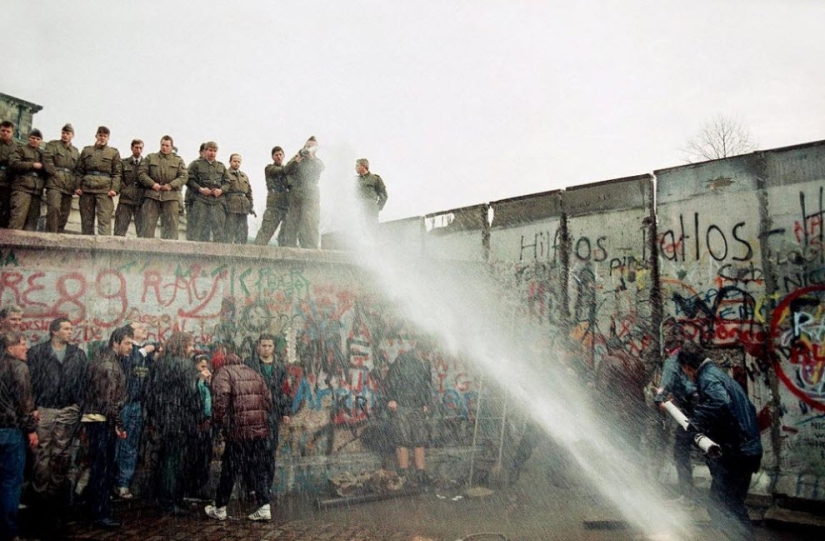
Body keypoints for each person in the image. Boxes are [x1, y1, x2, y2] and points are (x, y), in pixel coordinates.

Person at [678, 341, 762, 541]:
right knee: (733, 505)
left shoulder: (708, 378)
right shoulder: (716, 373)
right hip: (747, 449)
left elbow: (720, 402)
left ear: (687, 367)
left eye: (684, 371)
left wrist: (694, 422)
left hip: (738, 453)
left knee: (719, 506)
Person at [26, 317, 88, 534]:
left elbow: (82, 381)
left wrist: (78, 406)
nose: (70, 332)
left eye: (71, 328)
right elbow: (30, 381)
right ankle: (40, 504)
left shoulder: (77, 354)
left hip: (67, 409)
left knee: (61, 456)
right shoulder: (37, 352)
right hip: (45, 409)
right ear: (54, 331)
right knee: (42, 456)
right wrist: (33, 406)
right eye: (66, 328)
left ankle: (55, 504)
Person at [205, 352, 272, 522]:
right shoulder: (253, 372)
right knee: (259, 468)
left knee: (230, 469)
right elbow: (268, 399)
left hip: (239, 431)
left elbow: (220, 402)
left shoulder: (223, 373)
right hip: (259, 430)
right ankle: (264, 506)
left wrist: (221, 424)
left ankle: (220, 507)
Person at [144, 332, 203, 515]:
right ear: (183, 346)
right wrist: (198, 413)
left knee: (166, 459)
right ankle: (170, 501)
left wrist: (156, 415)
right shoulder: (186, 366)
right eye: (190, 345)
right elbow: (192, 395)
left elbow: (149, 392)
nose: (192, 348)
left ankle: (166, 499)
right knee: (174, 461)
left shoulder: (159, 364)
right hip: (180, 419)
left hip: (164, 419)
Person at [83, 325, 133, 531]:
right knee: (102, 468)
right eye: (127, 343)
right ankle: (100, 514)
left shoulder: (106, 360)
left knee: (99, 468)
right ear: (116, 342)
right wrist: (118, 426)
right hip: (101, 422)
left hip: (99, 420)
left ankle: (97, 509)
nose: (130, 347)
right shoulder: (109, 366)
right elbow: (109, 401)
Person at [0, 331, 38, 541]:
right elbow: (25, 403)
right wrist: (31, 429)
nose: (26, 348)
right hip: (10, 431)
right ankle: (8, 533)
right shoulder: (18, 368)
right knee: (10, 483)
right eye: (22, 344)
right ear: (10, 347)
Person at [384, 336, 434, 486]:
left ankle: (420, 473)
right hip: (402, 405)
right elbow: (390, 380)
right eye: (424, 353)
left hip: (418, 406)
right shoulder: (402, 360)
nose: (426, 356)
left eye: (428, 353)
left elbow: (427, 385)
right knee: (402, 441)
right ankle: (403, 474)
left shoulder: (426, 364)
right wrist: (391, 399)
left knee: (420, 441)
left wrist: (427, 403)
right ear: (418, 350)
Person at [114, 322, 155, 499]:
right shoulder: (130, 351)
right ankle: (113, 482)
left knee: (130, 445)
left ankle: (124, 482)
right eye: (139, 326)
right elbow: (129, 364)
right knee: (118, 444)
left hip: (138, 404)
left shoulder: (147, 353)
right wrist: (144, 351)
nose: (144, 328)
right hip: (124, 403)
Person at [654, 331, 698, 499]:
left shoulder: (671, 362)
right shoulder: (691, 358)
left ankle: (686, 496)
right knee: (707, 449)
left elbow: (663, 390)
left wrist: (660, 401)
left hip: (687, 410)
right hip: (704, 407)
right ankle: (722, 497)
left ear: (667, 349)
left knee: (681, 451)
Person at [245, 334, 291, 493]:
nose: (266, 349)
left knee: (270, 451)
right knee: (253, 450)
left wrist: (285, 411)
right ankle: (253, 486)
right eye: (263, 345)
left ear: (273, 347)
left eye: (269, 346)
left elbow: (285, 390)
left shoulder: (279, 366)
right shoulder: (250, 363)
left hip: (273, 413)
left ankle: (266, 487)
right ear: (258, 346)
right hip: (254, 413)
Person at [75, 126, 122, 236]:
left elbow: (117, 173)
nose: (102, 138)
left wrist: (114, 189)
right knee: (86, 221)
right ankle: (86, 248)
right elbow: (79, 171)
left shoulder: (113, 152)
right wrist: (77, 187)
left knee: (104, 221)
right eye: (100, 135)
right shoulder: (87, 151)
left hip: (104, 191)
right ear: (96, 136)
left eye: (105, 136)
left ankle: (103, 250)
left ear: (108, 138)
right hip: (87, 189)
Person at [139, 135, 188, 239]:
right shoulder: (150, 157)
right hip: (152, 195)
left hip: (171, 197)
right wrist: (152, 184)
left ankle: (171, 254)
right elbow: (142, 173)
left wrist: (171, 185)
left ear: (171, 147)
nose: (164, 147)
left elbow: (184, 176)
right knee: (147, 226)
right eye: (163, 145)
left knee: (171, 228)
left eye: (167, 145)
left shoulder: (178, 160)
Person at [282, 136, 324, 249]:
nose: (308, 148)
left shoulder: (317, 161)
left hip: (310, 195)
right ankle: (290, 247)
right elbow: (286, 170)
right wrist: (296, 161)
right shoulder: (297, 158)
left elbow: (321, 169)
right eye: (307, 146)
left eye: (311, 147)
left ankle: (310, 248)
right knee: (292, 221)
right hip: (295, 194)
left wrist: (311, 158)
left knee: (310, 222)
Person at [186, 141, 229, 243]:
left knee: (219, 230)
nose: (212, 153)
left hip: (217, 202)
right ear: (205, 151)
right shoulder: (196, 164)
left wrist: (221, 190)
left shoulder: (221, 166)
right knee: (198, 229)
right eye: (210, 150)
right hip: (200, 201)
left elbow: (227, 182)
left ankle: (218, 256)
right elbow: (189, 180)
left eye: (214, 151)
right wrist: (200, 189)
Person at [42, 124, 80, 233]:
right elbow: (47, 159)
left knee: (65, 213)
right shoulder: (53, 145)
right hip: (54, 182)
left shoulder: (75, 151)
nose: (65, 135)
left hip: (68, 185)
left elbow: (78, 169)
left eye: (67, 133)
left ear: (72, 135)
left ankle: (58, 236)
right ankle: (50, 236)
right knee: (54, 209)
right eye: (63, 133)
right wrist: (54, 173)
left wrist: (76, 184)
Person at [8, 128, 46, 231]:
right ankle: (11, 246)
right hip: (22, 189)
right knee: (17, 220)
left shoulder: (43, 154)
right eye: (33, 138)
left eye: (38, 139)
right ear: (29, 138)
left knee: (32, 224)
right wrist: (32, 165)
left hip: (36, 191)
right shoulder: (21, 149)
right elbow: (13, 163)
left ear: (41, 140)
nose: (35, 140)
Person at [254, 146, 289, 246]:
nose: (278, 157)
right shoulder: (269, 168)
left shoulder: (288, 171)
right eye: (276, 155)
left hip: (286, 206)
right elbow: (280, 171)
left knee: (286, 235)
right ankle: (255, 255)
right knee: (265, 232)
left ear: (283, 156)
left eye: (280, 154)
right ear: (272, 157)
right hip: (274, 205)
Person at [114, 139, 145, 236]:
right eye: (136, 147)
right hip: (126, 200)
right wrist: (125, 189)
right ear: (132, 148)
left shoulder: (146, 164)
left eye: (140, 148)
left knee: (142, 231)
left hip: (141, 200)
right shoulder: (124, 163)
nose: (138, 150)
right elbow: (118, 177)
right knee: (120, 228)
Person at [224, 153, 254, 244]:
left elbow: (249, 192)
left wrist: (250, 205)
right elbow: (223, 191)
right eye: (234, 161)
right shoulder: (225, 174)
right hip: (231, 207)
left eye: (238, 161)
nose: (237, 163)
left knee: (243, 231)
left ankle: (242, 252)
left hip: (243, 208)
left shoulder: (244, 176)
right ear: (230, 162)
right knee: (229, 230)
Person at [354, 158, 388, 223]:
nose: (355, 168)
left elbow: (383, 195)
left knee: (372, 229)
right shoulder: (354, 180)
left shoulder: (375, 179)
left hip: (371, 211)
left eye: (357, 166)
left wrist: (377, 208)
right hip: (358, 211)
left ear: (363, 166)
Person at [184, 143, 206, 241]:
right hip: (193, 198)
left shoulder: (212, 166)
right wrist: (199, 188)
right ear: (201, 152)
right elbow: (188, 180)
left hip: (205, 201)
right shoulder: (194, 164)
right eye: (205, 151)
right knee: (193, 225)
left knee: (204, 226)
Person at [0, 120, 18, 228]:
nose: (5, 133)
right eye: (3, 130)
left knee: (5, 210)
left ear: (12, 133)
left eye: (8, 131)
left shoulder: (16, 147)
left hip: (7, 182)